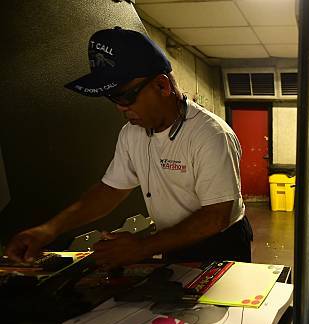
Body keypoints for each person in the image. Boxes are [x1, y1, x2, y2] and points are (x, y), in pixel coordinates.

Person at [5, 27, 252, 268]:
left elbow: (215, 217)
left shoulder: (210, 135)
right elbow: (109, 191)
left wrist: (141, 248)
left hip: (220, 243)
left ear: (162, 86)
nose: (120, 108)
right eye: (112, 98)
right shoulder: (131, 133)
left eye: (125, 96)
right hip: (172, 241)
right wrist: (49, 230)